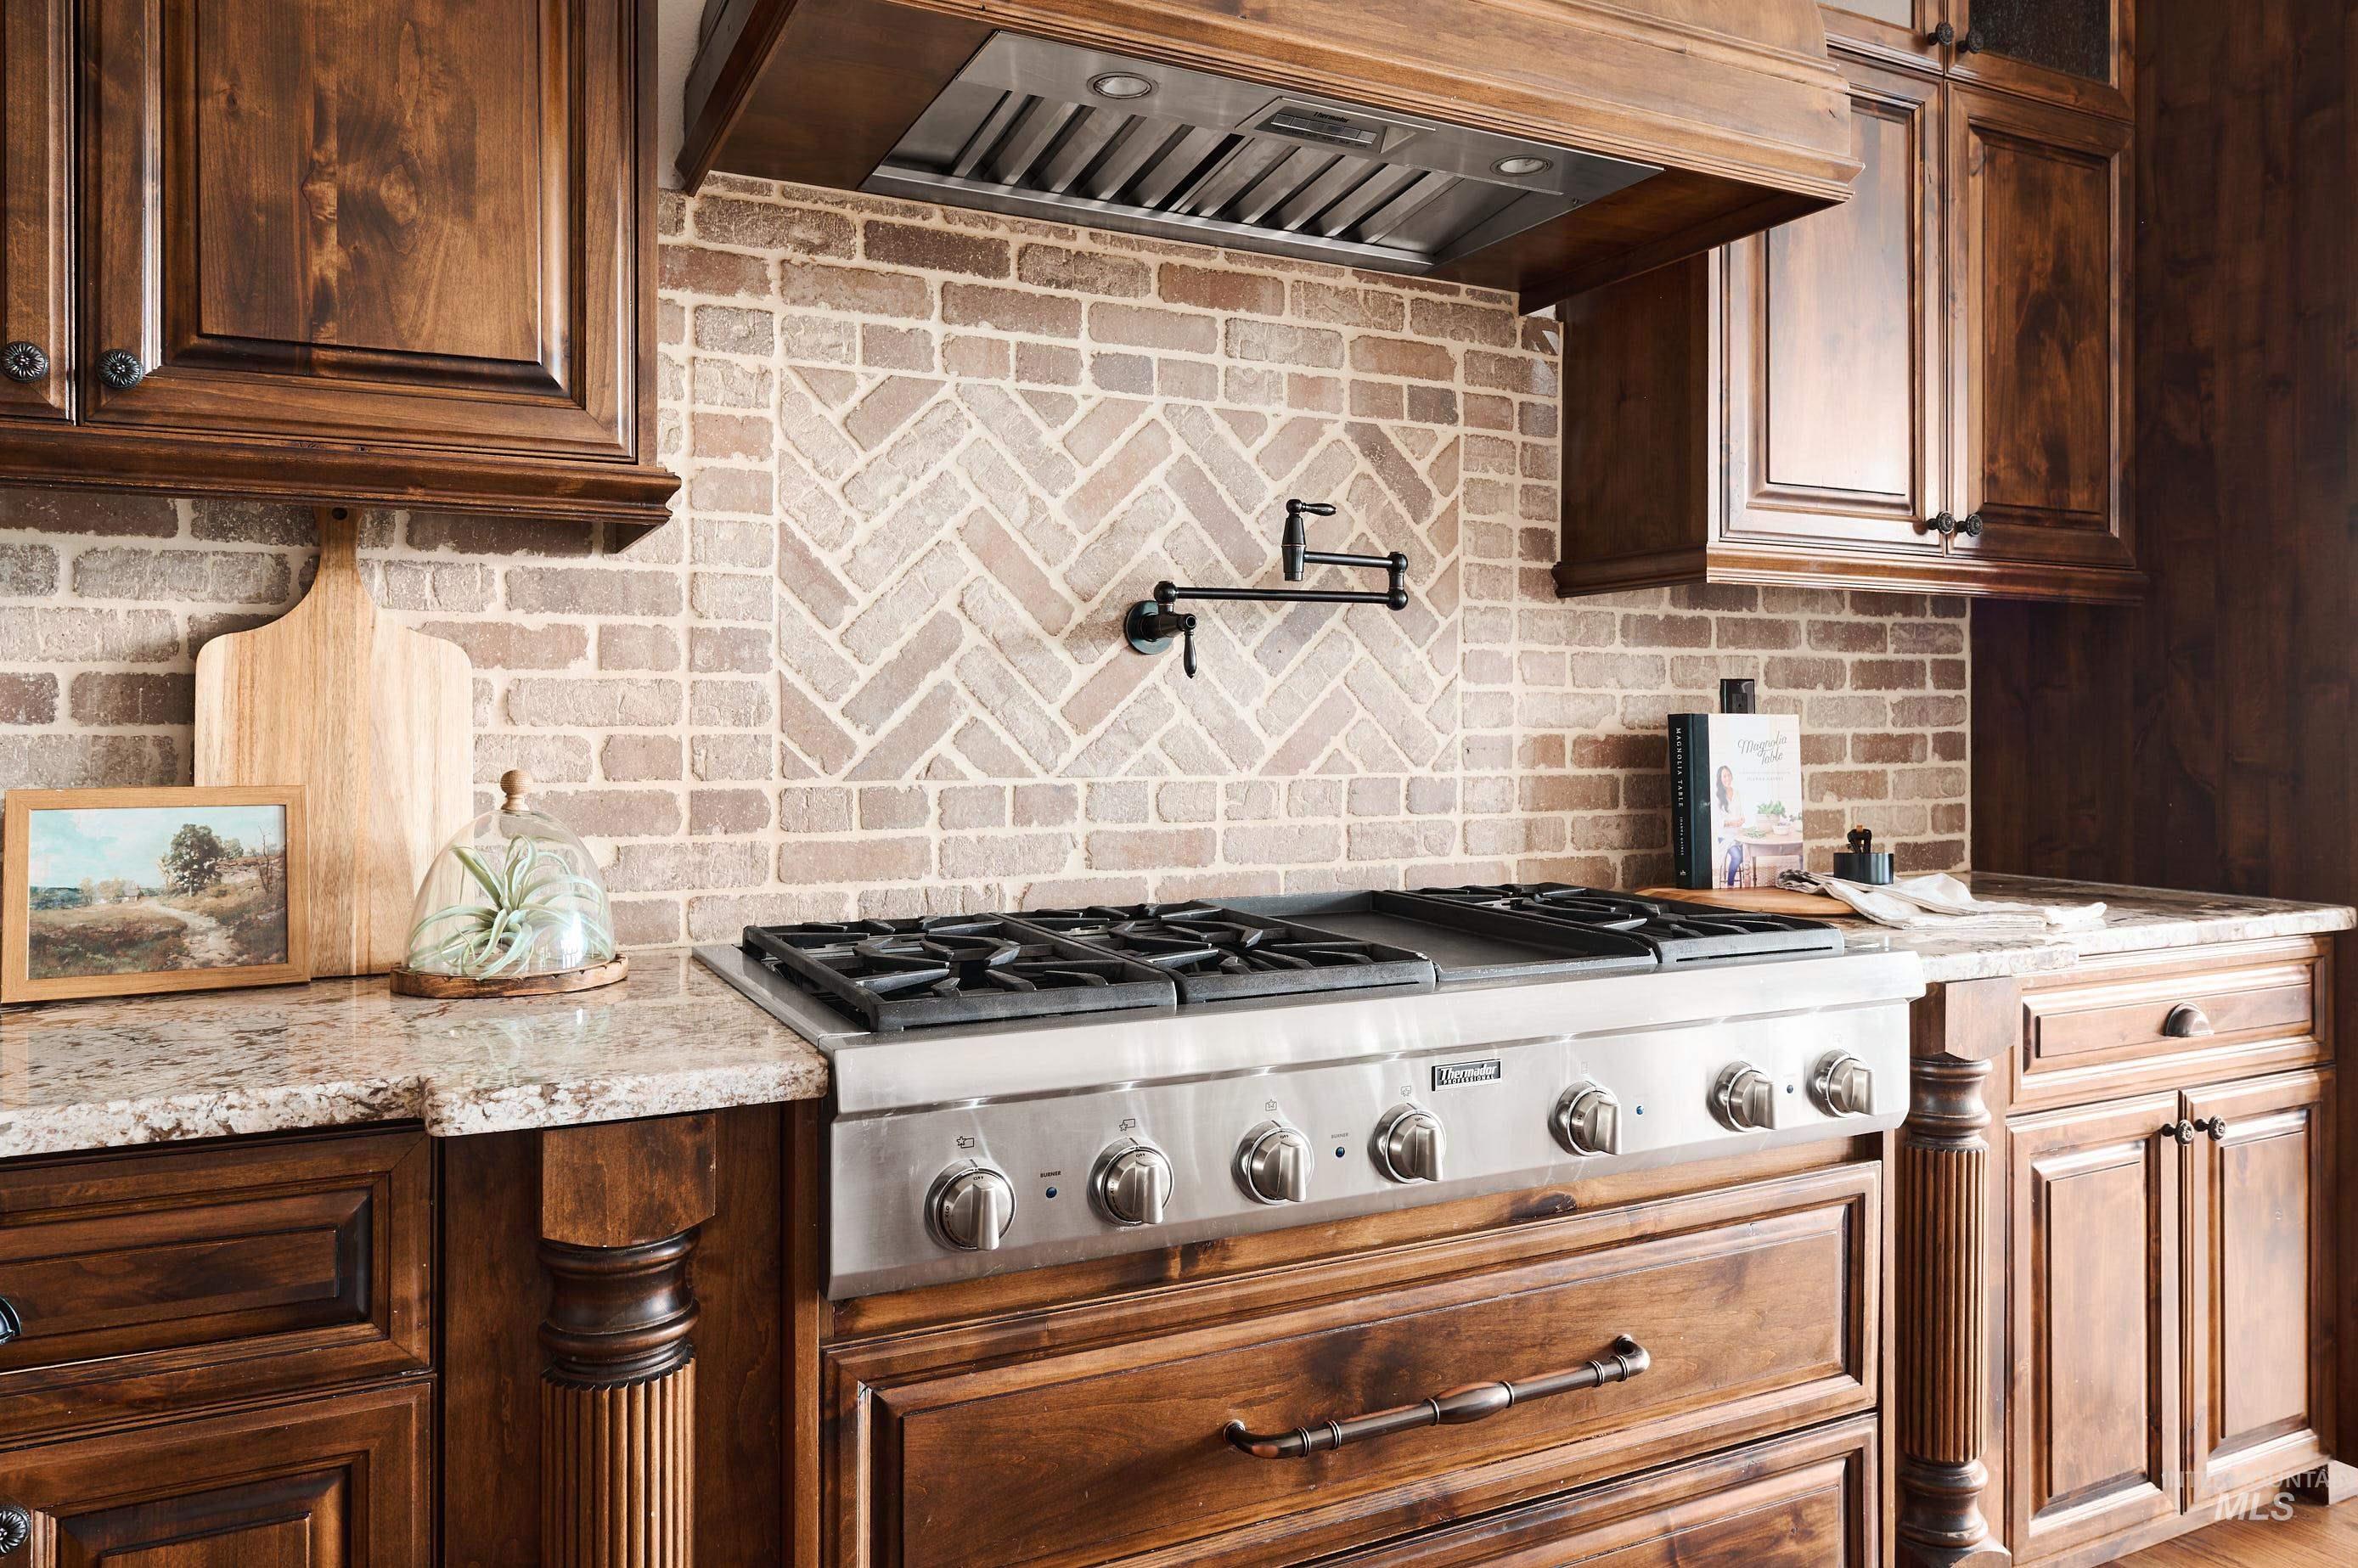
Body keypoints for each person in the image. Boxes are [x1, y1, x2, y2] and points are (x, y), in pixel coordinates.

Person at [1714, 763, 1747, 887]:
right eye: (1724, 776)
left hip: (1738, 834)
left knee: (1747, 855)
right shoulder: (1717, 797)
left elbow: (1741, 813)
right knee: (1738, 857)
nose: (1727, 778)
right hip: (1725, 837)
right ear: (1720, 779)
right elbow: (1719, 822)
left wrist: (1742, 819)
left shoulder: (1737, 793)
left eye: (1728, 775)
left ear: (1732, 776)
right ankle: (1730, 885)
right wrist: (1734, 823)